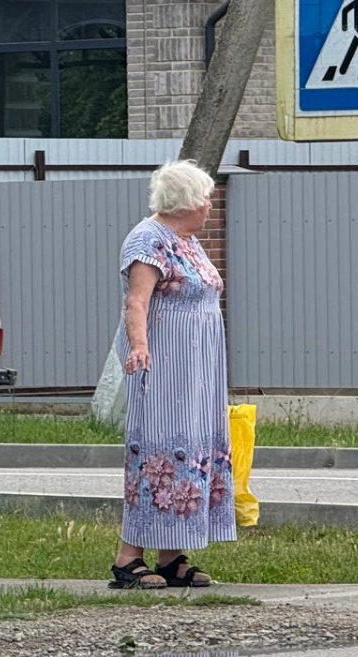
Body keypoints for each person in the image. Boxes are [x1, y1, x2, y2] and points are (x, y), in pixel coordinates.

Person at [108, 159, 234, 590]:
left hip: (197, 372)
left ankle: (171, 554)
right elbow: (137, 302)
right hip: (166, 370)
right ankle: (128, 558)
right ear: (186, 202)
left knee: (191, 448)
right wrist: (140, 347)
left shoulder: (189, 240)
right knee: (160, 452)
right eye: (206, 199)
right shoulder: (148, 239)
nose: (210, 207)